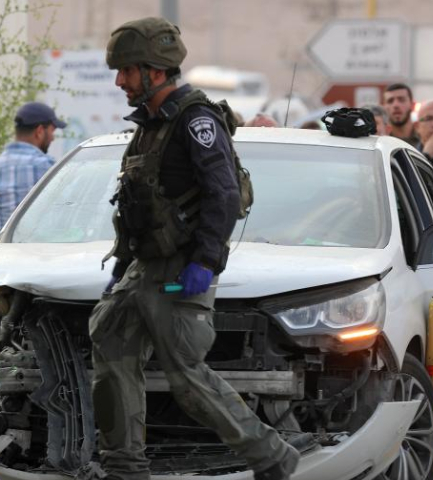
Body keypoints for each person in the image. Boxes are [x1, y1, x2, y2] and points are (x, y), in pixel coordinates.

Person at [89, 17, 300, 480]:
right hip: (143, 268)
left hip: (180, 270)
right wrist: (123, 262)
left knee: (187, 378)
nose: (119, 81)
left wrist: (206, 261)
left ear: (155, 71)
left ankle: (273, 457)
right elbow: (139, 203)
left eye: (126, 71)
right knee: (109, 342)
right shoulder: (150, 123)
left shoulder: (196, 120)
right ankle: (124, 467)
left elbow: (223, 194)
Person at [0, 102, 65, 242]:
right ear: (40, 131)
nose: (53, 138)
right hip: (39, 259)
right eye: (52, 131)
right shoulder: (48, 168)